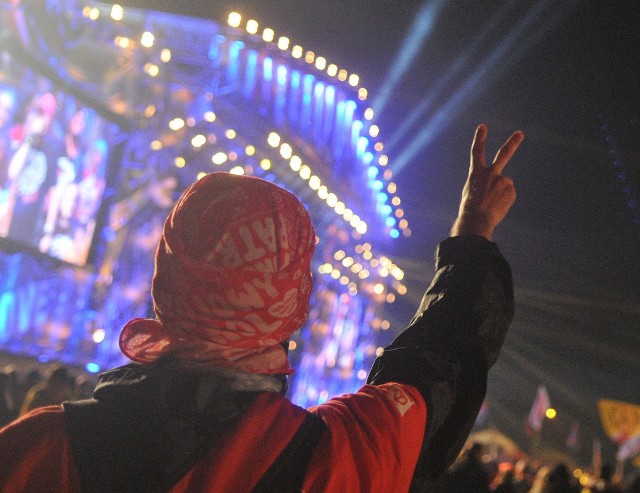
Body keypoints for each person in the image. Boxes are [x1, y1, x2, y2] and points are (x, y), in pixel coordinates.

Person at [0, 124, 523, 492]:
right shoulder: (336, 460)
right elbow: (436, 370)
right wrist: (473, 233)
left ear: (169, 279)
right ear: (291, 298)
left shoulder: (32, 449)